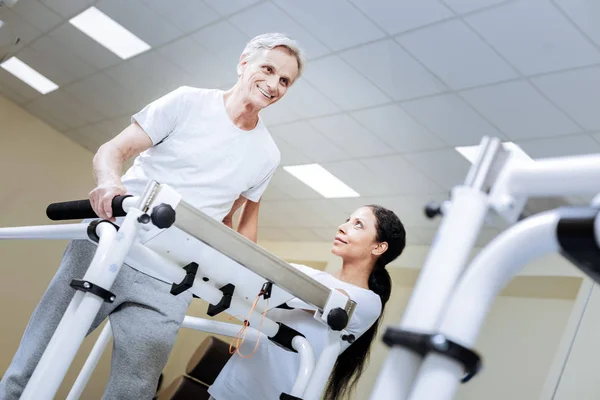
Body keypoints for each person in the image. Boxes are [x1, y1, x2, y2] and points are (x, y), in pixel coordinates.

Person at [0, 32, 306, 400]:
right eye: (268, 69)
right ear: (244, 63)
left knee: (135, 391)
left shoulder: (267, 154)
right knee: (32, 367)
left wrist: (245, 280)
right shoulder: (188, 101)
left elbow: (231, 225)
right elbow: (112, 151)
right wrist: (110, 184)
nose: (273, 84)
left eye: (284, 80)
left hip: (170, 276)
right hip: (112, 245)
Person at [208, 205, 407, 400]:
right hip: (229, 388)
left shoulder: (368, 302)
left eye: (358, 225)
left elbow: (329, 299)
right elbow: (250, 265)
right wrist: (253, 198)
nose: (342, 226)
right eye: (347, 220)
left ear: (379, 247)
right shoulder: (308, 274)